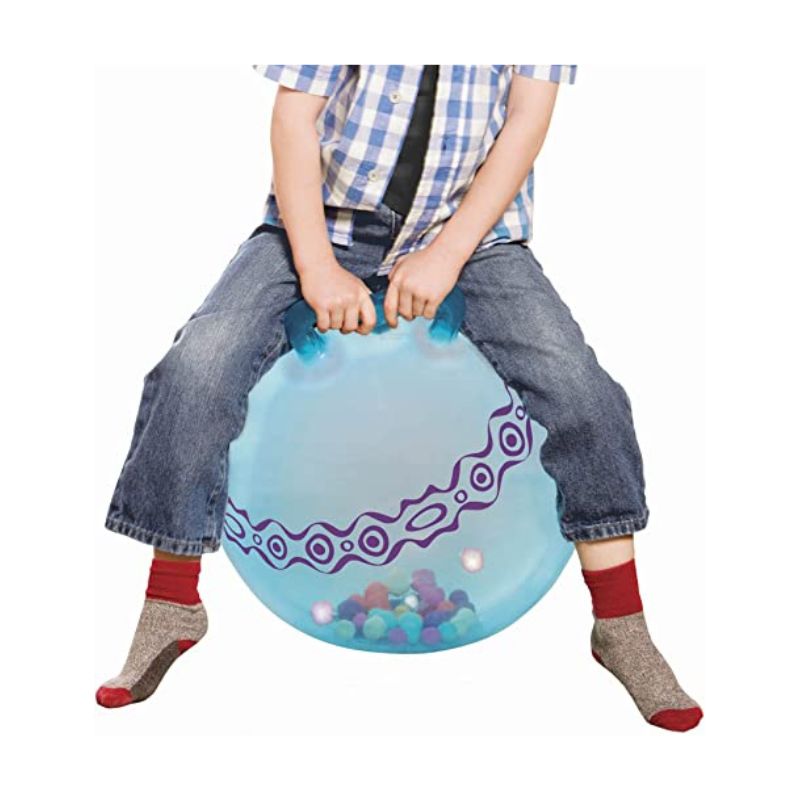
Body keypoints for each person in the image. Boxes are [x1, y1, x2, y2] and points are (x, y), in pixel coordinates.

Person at [96, 65, 703, 731]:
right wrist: (316, 267)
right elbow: (294, 118)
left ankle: (620, 623)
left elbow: (526, 120)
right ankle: (172, 603)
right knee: (199, 368)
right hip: (325, 226)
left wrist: (447, 254)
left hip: (473, 238)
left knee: (581, 391)